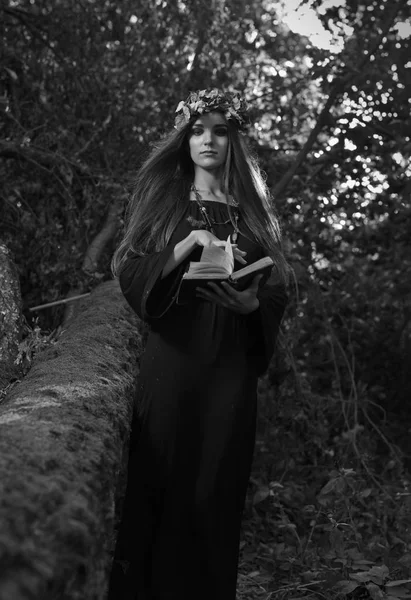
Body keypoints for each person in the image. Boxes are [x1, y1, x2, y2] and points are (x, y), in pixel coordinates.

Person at [108, 88, 289, 600]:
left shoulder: (252, 212)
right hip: (173, 367)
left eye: (220, 130)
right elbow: (129, 269)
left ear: (234, 141)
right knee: (161, 491)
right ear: (184, 140)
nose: (208, 139)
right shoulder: (164, 199)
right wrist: (187, 245)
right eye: (197, 130)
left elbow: (278, 288)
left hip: (230, 371)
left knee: (215, 496)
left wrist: (252, 307)